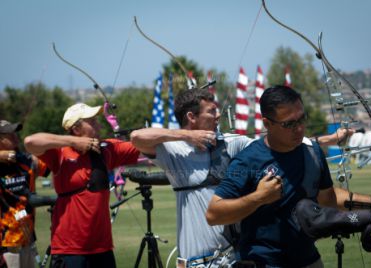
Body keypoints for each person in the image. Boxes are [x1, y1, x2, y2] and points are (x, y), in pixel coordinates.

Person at [130, 88, 353, 267]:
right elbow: (137, 137)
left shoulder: (231, 143)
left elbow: (279, 143)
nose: (218, 115)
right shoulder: (174, 151)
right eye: (211, 111)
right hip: (193, 261)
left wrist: (330, 139)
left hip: (232, 259)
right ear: (191, 117)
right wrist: (187, 135)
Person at [205, 85, 371, 268]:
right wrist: (259, 198)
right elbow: (214, 214)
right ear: (267, 123)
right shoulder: (247, 161)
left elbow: (329, 198)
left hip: (308, 259)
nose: (299, 128)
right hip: (263, 261)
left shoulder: (313, 152)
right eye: (289, 124)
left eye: (302, 119)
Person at [24, 103, 140, 268]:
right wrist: (74, 142)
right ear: (76, 129)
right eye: (92, 122)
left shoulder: (107, 149)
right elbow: (30, 141)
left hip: (102, 249)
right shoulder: (61, 152)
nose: (99, 124)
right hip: (69, 250)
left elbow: (142, 148)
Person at [0, 120, 50, 268]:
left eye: (15, 132)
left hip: (28, 241)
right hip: (6, 247)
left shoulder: (26, 160)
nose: (16, 137)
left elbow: (54, 164)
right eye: (10, 134)